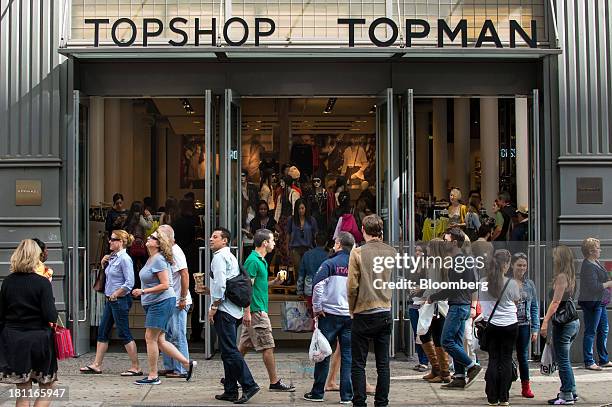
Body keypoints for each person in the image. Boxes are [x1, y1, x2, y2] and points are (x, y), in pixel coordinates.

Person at [131, 231, 196, 385]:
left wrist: (143, 291)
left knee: (150, 338)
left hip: (161, 302)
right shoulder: (152, 258)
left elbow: (166, 284)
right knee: (160, 339)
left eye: (152, 237)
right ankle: (187, 364)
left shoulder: (159, 259)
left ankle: (153, 376)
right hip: (156, 302)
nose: (148, 238)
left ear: (159, 243)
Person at [0, 239, 58, 407]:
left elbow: (1, 314)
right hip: (38, 338)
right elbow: (50, 316)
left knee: (23, 390)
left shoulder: (8, 282)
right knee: (48, 386)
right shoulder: (42, 282)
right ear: (36, 257)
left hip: (13, 339)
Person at [347, 214, 397, 407]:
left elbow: (352, 286)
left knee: (358, 363)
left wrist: (351, 309)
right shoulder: (391, 252)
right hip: (384, 309)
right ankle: (381, 402)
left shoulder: (357, 253)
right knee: (383, 364)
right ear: (381, 231)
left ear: (363, 230)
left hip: (363, 311)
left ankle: (359, 402)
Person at [208, 227, 260, 404]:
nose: (210, 239)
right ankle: (230, 390)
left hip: (225, 310)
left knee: (229, 350)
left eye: (215, 237)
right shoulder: (230, 256)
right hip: (234, 310)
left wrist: (214, 306)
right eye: (211, 236)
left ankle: (249, 384)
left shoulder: (219, 257)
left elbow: (221, 285)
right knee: (226, 351)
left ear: (225, 241)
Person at [238, 229, 295, 392]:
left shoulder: (260, 260)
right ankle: (274, 382)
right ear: (265, 243)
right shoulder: (254, 261)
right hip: (257, 312)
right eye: (272, 240)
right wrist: (248, 312)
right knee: (268, 347)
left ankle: (231, 376)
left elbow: (258, 285)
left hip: (255, 310)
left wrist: (275, 281)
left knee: (242, 348)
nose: (274, 243)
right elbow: (247, 288)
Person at [79, 230, 140, 376]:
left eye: (113, 239)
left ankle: (136, 366)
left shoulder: (125, 259)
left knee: (124, 332)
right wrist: (103, 264)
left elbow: (129, 282)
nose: (110, 242)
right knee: (103, 331)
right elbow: (111, 277)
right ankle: (97, 364)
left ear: (121, 242)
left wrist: (116, 294)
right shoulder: (112, 258)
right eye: (110, 239)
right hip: (111, 300)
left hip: (119, 300)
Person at [304, 232, 355, 403]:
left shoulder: (329, 263)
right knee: (347, 355)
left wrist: (317, 308)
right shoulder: (357, 265)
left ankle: (318, 392)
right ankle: (347, 396)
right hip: (350, 316)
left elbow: (317, 286)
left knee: (323, 352)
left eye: (335, 242)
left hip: (330, 316)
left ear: (339, 244)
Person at [428, 228, 481, 390]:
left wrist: (433, 297)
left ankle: (471, 366)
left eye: (446, 240)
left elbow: (453, 288)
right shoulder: (464, 260)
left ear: (455, 243)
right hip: (462, 305)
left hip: (457, 306)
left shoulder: (458, 262)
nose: (444, 243)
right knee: (457, 341)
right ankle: (459, 377)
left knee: (447, 341)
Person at [479, 249, 520, 406]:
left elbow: (482, 303)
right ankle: (504, 397)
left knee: (493, 359)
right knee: (506, 359)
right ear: (507, 264)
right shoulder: (512, 283)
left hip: (491, 325)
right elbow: (515, 302)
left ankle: (492, 397)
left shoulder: (483, 282)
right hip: (510, 324)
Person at [541, 245, 580, 405]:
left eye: (555, 256)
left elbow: (556, 302)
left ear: (560, 259)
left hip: (565, 324)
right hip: (572, 322)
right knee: (565, 359)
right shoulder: (570, 275)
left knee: (562, 360)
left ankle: (566, 394)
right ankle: (571, 391)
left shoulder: (562, 277)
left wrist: (545, 321)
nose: (552, 258)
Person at [156, 225, 193, 379]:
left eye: (158, 235)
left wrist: (183, 297)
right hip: (171, 299)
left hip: (178, 300)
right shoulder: (166, 252)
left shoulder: (176, 251)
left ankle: (182, 368)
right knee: (168, 334)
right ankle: (170, 366)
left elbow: (184, 274)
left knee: (178, 334)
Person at [419, 239, 452, 384]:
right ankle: (437, 369)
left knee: (432, 336)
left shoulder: (437, 264)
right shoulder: (439, 263)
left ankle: (443, 372)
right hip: (437, 304)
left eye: (428, 248)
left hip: (436, 305)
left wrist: (426, 296)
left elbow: (435, 286)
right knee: (430, 335)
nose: (427, 250)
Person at [578, 237, 612, 371]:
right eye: (598, 248)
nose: (600, 250)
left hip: (600, 302)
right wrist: (608, 284)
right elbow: (594, 287)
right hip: (592, 302)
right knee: (591, 331)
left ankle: (603, 359)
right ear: (591, 251)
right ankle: (589, 361)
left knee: (604, 329)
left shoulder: (595, 262)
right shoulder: (588, 266)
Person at [511, 252, 539, 398]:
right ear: (512, 265)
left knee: (523, 357)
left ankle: (526, 387)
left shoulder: (530, 284)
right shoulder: (506, 282)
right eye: (519, 265)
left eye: (524, 265)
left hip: (524, 325)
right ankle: (505, 384)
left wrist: (535, 328)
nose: (522, 268)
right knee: (506, 355)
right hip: (508, 324)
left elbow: (534, 307)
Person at [407, 244, 429, 372]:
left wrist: (420, 288)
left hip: (424, 302)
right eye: (416, 251)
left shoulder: (428, 266)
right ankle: (421, 360)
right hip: (413, 302)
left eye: (420, 251)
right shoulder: (413, 266)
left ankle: (426, 361)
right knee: (416, 333)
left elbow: (432, 282)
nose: (418, 253)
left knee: (423, 332)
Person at [287, 198, 318, 286]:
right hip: (295, 248)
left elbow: (315, 234)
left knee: (308, 269)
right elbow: (288, 234)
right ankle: (299, 289)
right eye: (299, 209)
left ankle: (307, 290)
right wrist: (287, 247)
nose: (301, 211)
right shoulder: (292, 219)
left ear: (306, 208)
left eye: (302, 208)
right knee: (298, 269)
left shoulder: (311, 220)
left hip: (308, 248)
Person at [297, 232, 329, 305]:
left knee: (310, 310)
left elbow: (301, 274)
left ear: (315, 241)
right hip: (323, 288)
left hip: (309, 287)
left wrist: (300, 291)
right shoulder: (328, 256)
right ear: (326, 243)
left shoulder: (307, 254)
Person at [249, 200, 277, 266]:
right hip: (258, 246)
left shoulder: (271, 220)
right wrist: (250, 235)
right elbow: (251, 233)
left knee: (266, 263)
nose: (263, 211)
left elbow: (280, 231)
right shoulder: (254, 221)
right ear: (258, 210)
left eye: (265, 209)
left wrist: (274, 235)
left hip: (269, 246)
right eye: (261, 209)